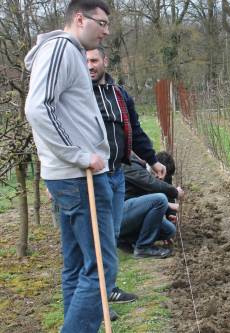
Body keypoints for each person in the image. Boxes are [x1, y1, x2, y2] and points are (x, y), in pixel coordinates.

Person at [24, 0, 116, 331]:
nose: (106, 31)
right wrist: (78, 155)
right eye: (102, 23)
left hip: (70, 177)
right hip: (80, 177)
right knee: (102, 269)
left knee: (77, 266)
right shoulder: (62, 49)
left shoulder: (67, 51)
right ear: (80, 18)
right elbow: (38, 109)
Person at [87, 46, 166, 306]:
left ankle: (108, 289)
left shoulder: (119, 95)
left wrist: (153, 160)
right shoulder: (78, 94)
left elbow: (135, 129)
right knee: (94, 237)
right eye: (85, 61)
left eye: (94, 60)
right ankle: (95, 298)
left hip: (116, 174)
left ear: (105, 61)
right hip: (90, 177)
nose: (90, 66)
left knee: (111, 234)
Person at [121, 152, 184, 257]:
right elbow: (151, 186)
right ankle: (143, 247)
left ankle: (128, 239)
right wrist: (174, 193)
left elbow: (165, 189)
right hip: (121, 213)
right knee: (160, 200)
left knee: (169, 230)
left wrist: (170, 214)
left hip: (134, 212)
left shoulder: (159, 169)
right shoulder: (129, 164)